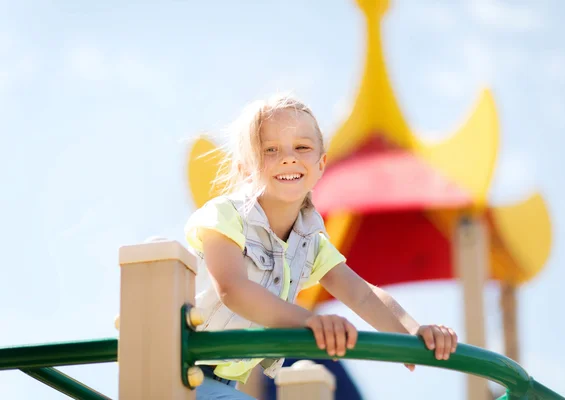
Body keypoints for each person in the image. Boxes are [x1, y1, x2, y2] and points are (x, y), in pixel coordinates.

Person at [185, 93, 458, 399]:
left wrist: (413, 332)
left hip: (221, 383)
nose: (288, 158)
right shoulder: (225, 215)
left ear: (321, 163)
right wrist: (310, 321)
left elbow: (362, 294)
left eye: (302, 147)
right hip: (181, 372)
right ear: (246, 168)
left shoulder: (309, 240)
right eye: (270, 150)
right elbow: (233, 290)